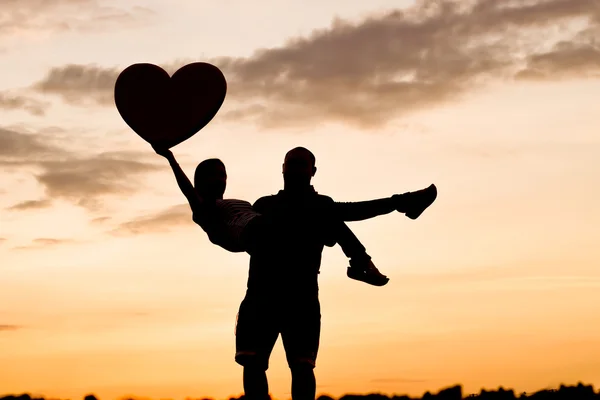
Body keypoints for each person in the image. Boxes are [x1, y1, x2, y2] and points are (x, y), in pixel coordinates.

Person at [235, 147, 437, 400]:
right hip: (263, 297)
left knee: (301, 366)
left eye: (302, 164)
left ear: (313, 172)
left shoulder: (318, 208)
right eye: (293, 164)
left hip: (299, 299)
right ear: (283, 168)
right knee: (255, 363)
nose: (296, 169)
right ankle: (400, 208)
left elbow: (344, 222)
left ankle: (397, 212)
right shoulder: (268, 205)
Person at [151, 144, 424, 286]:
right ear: (200, 182)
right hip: (256, 234)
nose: (220, 179)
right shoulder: (203, 211)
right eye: (212, 176)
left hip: (270, 231)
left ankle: (365, 255)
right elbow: (187, 191)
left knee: (329, 214)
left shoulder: (238, 202)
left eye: (222, 174)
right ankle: (399, 206)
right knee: (330, 209)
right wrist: (171, 159)